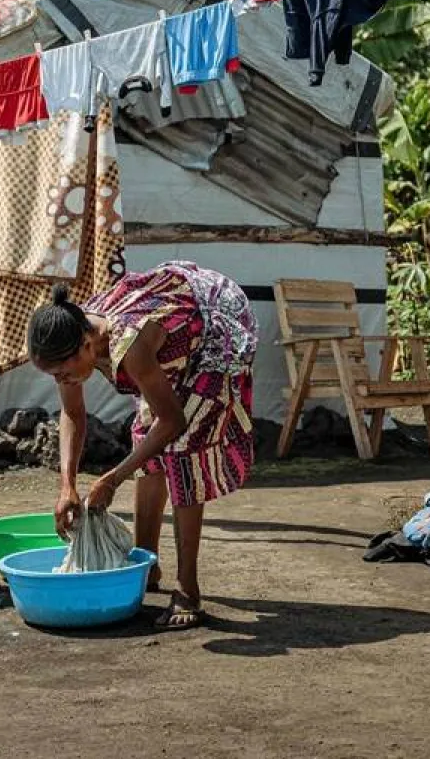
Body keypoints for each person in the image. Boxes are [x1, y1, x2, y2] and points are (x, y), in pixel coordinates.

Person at [27, 261, 258, 630]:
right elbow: (73, 414)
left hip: (215, 324)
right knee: (145, 443)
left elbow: (173, 421)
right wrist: (67, 485)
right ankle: (145, 567)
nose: (62, 380)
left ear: (87, 345)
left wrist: (112, 479)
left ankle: (188, 590)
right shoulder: (70, 334)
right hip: (170, 331)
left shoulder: (130, 346)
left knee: (183, 452)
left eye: (63, 373)